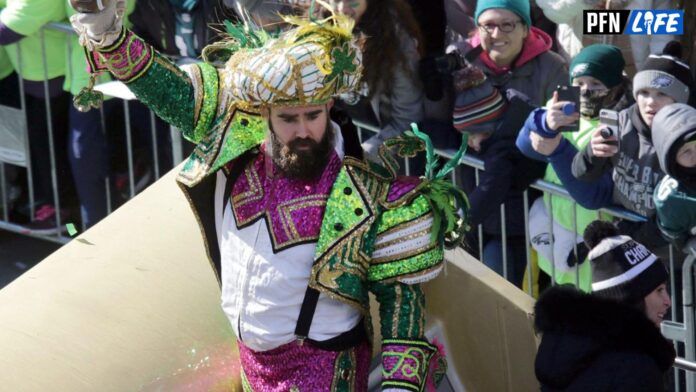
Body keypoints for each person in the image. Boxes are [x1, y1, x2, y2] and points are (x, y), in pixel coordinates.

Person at [70, 2, 464, 389]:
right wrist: (106, 30)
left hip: (323, 373)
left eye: (313, 115)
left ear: (329, 106)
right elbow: (163, 87)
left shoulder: (371, 194)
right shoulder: (235, 144)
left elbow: (402, 305)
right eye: (288, 119)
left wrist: (399, 385)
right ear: (263, 114)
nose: (303, 131)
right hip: (250, 364)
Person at [516, 44, 630, 290]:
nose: (586, 91)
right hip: (557, 231)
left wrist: (556, 149)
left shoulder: (621, 124)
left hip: (597, 240)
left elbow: (592, 192)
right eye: (579, 83)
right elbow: (524, 144)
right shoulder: (567, 109)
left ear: (615, 86)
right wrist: (545, 122)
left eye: (597, 84)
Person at [534, 220, 675, 391]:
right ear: (631, 298)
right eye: (659, 291)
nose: (668, 301)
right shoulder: (636, 367)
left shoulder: (565, 342)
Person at [452, 77, 545, 286]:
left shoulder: (503, 150)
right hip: (502, 226)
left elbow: (490, 188)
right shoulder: (508, 123)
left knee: (507, 285)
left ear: (488, 128)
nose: (471, 144)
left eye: (471, 136)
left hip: (517, 231)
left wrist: (458, 223)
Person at [1, 0, 77, 234]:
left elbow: (11, 26)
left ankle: (68, 220)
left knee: (50, 147)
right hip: (31, 74)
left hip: (55, 75)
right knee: (39, 146)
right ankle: (50, 204)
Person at [332, 0, 426, 162]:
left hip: (386, 161)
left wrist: (364, 154)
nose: (342, 8)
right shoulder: (323, 29)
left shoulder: (394, 41)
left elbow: (408, 118)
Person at [446, 0, 567, 107]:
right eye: (488, 25)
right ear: (478, 28)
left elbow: (570, 125)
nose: (496, 34)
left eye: (507, 24)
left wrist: (544, 128)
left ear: (525, 30)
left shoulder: (553, 66)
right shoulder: (457, 59)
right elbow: (438, 120)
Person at [536, 0, 676, 77]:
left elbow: (663, 31)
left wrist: (656, 74)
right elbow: (552, 11)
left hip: (634, 74)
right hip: (579, 72)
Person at [653, 103, 696, 250]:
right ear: (671, 159)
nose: (695, 155)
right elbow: (677, 237)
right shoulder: (671, 197)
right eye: (686, 152)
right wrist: (690, 244)